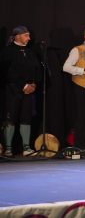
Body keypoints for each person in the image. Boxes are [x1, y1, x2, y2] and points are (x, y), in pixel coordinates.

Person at [1, 26, 41, 157]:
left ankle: (26, 147)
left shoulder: (30, 52)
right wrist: (24, 85)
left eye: (29, 36)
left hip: (29, 90)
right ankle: (8, 148)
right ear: (17, 36)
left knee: (26, 118)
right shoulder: (8, 51)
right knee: (11, 118)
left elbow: (38, 70)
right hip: (14, 89)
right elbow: (9, 72)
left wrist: (33, 84)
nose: (29, 38)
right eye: (26, 35)